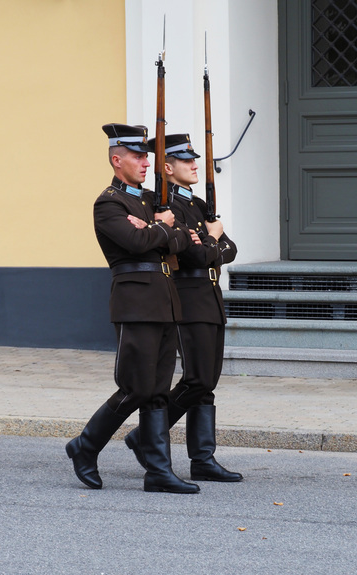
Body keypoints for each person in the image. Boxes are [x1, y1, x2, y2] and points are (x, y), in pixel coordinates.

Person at [65, 124, 200, 494]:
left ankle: (158, 471)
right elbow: (135, 242)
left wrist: (157, 229)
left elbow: (183, 242)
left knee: (157, 389)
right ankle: (85, 445)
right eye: (138, 156)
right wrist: (160, 229)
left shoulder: (148, 201)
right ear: (116, 159)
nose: (145, 163)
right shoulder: (109, 203)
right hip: (135, 302)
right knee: (135, 386)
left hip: (164, 298)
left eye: (146, 156)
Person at [124, 133, 243, 482]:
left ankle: (203, 459)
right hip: (188, 297)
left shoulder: (198, 204)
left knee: (207, 382)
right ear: (167, 167)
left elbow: (230, 249)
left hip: (209, 296)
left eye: (195, 159)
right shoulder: (169, 206)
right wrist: (214, 240)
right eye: (185, 160)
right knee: (196, 379)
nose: (195, 164)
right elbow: (195, 254)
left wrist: (213, 242)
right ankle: (145, 437)